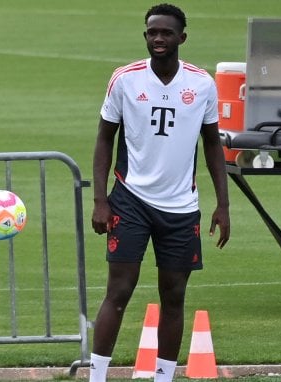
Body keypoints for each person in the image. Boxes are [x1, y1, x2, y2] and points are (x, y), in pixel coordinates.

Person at [89, 4, 230, 382]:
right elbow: (104, 138)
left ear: (182, 37)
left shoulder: (201, 84)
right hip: (130, 199)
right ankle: (96, 376)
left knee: (174, 295)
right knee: (118, 290)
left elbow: (213, 145)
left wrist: (223, 204)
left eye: (166, 33)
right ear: (145, 35)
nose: (158, 39)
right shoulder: (125, 79)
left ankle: (164, 377)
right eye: (152, 32)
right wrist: (101, 200)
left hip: (182, 207)